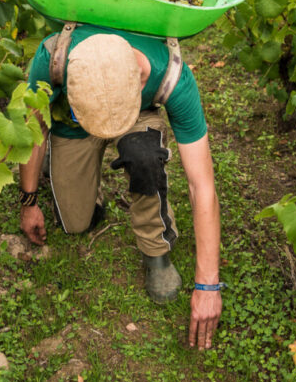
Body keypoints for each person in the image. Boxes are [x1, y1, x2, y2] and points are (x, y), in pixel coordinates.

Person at [18, 24, 223, 350]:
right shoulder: (53, 57)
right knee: (74, 224)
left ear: (140, 81)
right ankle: (76, 175)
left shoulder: (171, 77)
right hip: (77, 116)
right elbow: (33, 128)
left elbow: (203, 186)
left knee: (144, 156)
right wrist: (28, 201)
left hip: (137, 115)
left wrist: (208, 285)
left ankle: (156, 253)